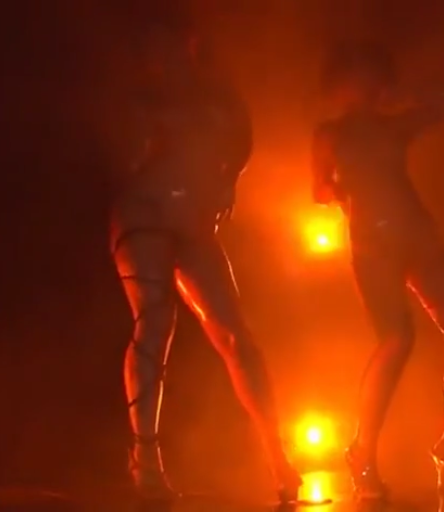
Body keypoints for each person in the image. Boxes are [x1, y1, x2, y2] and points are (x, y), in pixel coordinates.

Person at [110, 17, 301, 505]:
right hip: (145, 212)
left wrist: (226, 179)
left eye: (173, 43)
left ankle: (277, 457)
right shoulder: (144, 100)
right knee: (156, 318)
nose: (165, 55)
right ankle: (145, 457)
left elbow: (241, 140)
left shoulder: (218, 97)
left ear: (190, 44)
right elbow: (129, 154)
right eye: (155, 47)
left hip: (192, 221)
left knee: (235, 334)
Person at [311, 41, 444, 505]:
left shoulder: (393, 124)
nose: (365, 86)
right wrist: (341, 188)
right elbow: (318, 190)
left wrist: (406, 94)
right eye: (357, 76)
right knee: (397, 338)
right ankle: (362, 449)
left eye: (373, 76)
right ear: (340, 85)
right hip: (373, 245)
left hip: (417, 234)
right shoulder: (329, 133)